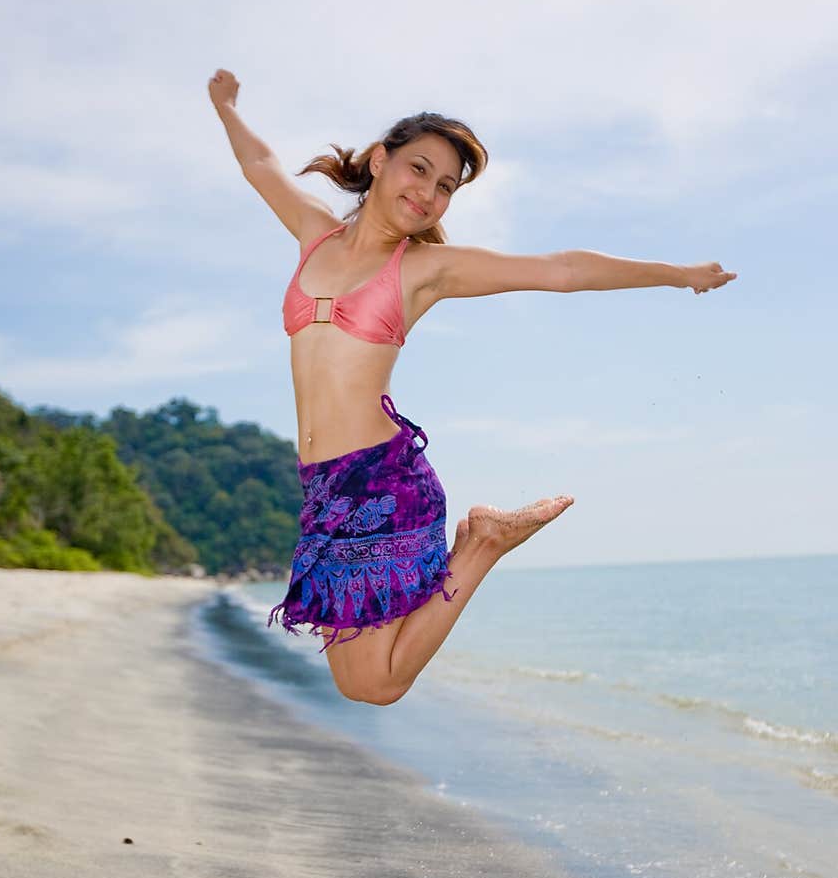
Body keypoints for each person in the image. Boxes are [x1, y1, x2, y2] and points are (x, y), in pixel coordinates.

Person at [209, 69, 737, 706]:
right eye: (418, 169)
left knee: (378, 685)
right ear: (380, 161)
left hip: (382, 482)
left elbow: (560, 270)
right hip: (324, 488)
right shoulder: (313, 232)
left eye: (445, 187)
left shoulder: (427, 269)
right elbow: (260, 164)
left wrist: (677, 274)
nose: (428, 193)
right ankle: (484, 540)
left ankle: (483, 545)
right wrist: (227, 106)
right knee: (360, 683)